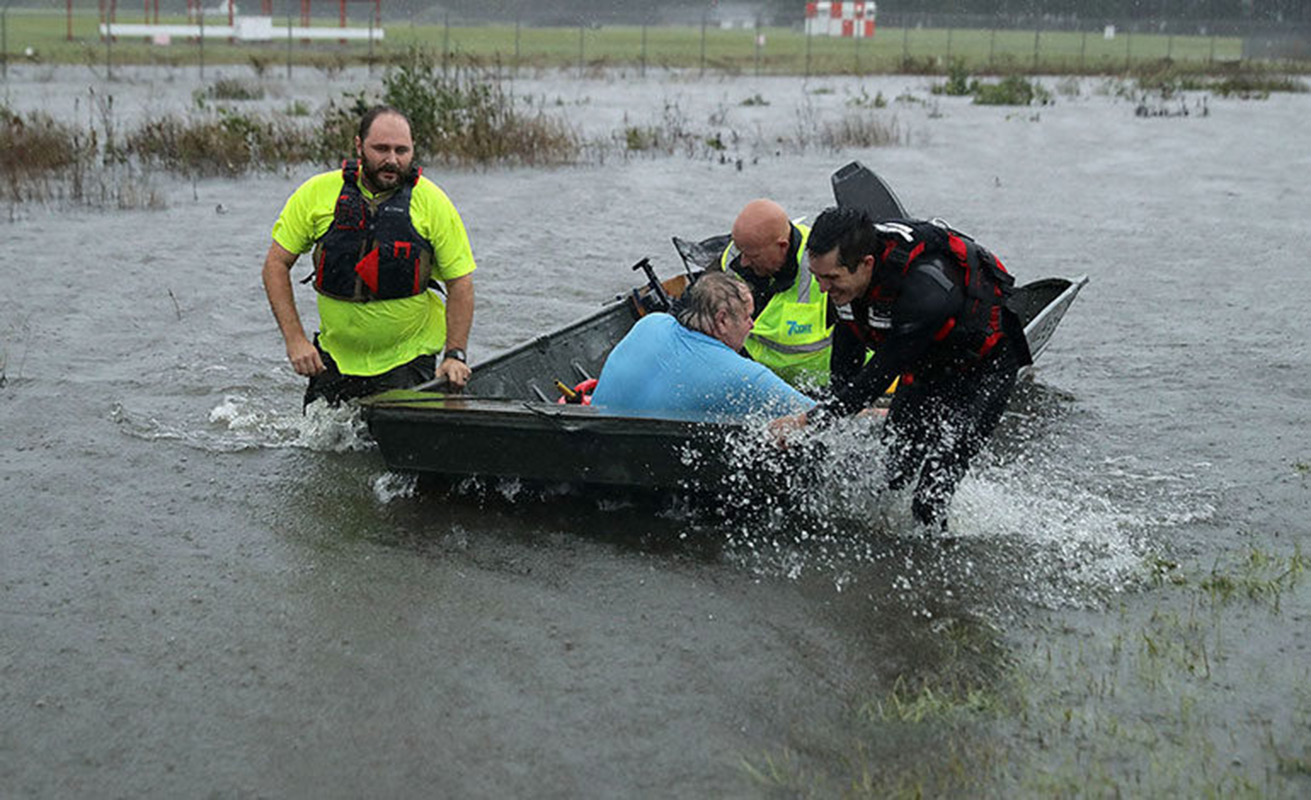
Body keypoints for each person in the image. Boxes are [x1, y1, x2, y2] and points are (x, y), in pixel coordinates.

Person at [772, 206, 1032, 531]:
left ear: (867, 264)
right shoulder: (846, 281)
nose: (823, 289)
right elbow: (846, 367)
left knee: (930, 495)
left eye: (832, 278)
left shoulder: (926, 289)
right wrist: (828, 424)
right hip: (928, 364)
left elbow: (881, 374)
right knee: (893, 470)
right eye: (817, 277)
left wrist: (807, 421)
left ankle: (939, 573)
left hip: (984, 369)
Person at [261, 105, 476, 408]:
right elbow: (275, 264)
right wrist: (295, 339)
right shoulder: (317, 194)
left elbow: (461, 283)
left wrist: (454, 355)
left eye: (402, 150)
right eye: (381, 149)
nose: (392, 159)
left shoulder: (433, 203)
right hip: (333, 359)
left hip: (407, 359)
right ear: (359, 145)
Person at [590, 272, 814, 417]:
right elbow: (820, 417)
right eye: (748, 316)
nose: (752, 325)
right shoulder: (745, 374)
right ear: (722, 320)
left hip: (589, 451)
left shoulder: (651, 322)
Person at [719, 198, 832, 387]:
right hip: (754, 380)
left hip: (823, 385)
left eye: (753, 256)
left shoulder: (824, 268)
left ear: (782, 246)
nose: (743, 262)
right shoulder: (737, 256)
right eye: (742, 252)